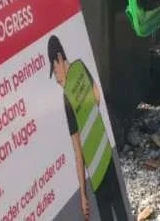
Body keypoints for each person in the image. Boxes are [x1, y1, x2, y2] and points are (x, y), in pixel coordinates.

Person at [48, 35, 130, 221]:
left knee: (107, 214)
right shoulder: (80, 67)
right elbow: (97, 97)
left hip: (95, 167)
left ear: (59, 59)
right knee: (119, 206)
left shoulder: (66, 98)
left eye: (55, 70)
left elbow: (78, 152)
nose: (56, 78)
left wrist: (83, 195)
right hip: (107, 153)